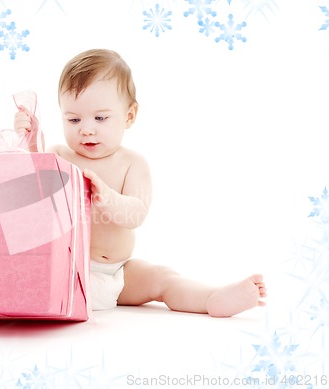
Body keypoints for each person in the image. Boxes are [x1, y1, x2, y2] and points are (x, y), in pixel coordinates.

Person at [14, 49, 266, 317]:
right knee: (30, 270)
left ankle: (210, 298)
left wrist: (108, 198)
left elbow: (136, 214)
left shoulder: (132, 163)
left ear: (130, 116)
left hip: (119, 272)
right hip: (70, 270)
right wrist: (30, 141)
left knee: (162, 277)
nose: (86, 128)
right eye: (73, 119)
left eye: (100, 118)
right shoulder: (60, 156)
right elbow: (31, 183)